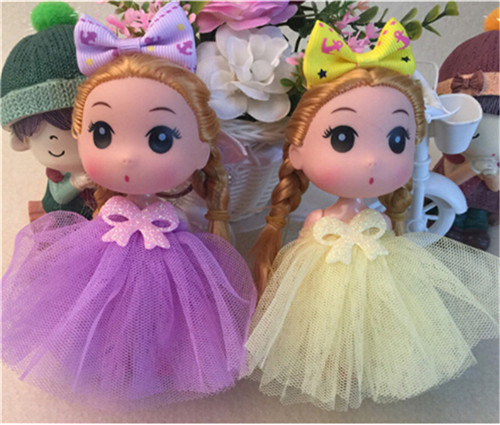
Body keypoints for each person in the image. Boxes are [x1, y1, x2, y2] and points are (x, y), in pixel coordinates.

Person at [2, 3, 256, 410]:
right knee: (96, 306)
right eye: (102, 133)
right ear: (80, 134)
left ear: (203, 150)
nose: (127, 157)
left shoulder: (184, 208)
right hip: (102, 244)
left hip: (169, 245)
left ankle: (156, 362)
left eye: (159, 139)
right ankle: (105, 359)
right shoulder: (86, 196)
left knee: (166, 313)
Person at [246, 19, 499, 411]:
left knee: (380, 319)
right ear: (296, 152)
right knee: (322, 320)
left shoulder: (382, 217)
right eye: (343, 138)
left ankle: (365, 363)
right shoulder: (318, 219)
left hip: (378, 268)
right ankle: (329, 363)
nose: (371, 160)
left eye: (396, 140)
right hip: (324, 273)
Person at [1, 2, 94, 221]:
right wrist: (76, 182)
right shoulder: (58, 175)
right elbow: (53, 201)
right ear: (23, 141)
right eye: (55, 137)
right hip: (70, 227)